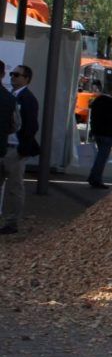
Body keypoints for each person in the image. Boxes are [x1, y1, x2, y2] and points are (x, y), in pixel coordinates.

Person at [1, 65, 39, 234]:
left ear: (26, 79)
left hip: (16, 148)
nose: (13, 77)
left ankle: (12, 222)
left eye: (17, 75)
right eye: (12, 74)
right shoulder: (10, 96)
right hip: (5, 146)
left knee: (14, 187)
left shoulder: (28, 99)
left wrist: (23, 149)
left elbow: (31, 126)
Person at [87, 81, 112, 189]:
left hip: (97, 132)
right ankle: (95, 178)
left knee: (99, 155)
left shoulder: (97, 101)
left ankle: (93, 176)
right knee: (102, 157)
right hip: (108, 133)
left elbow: (92, 116)